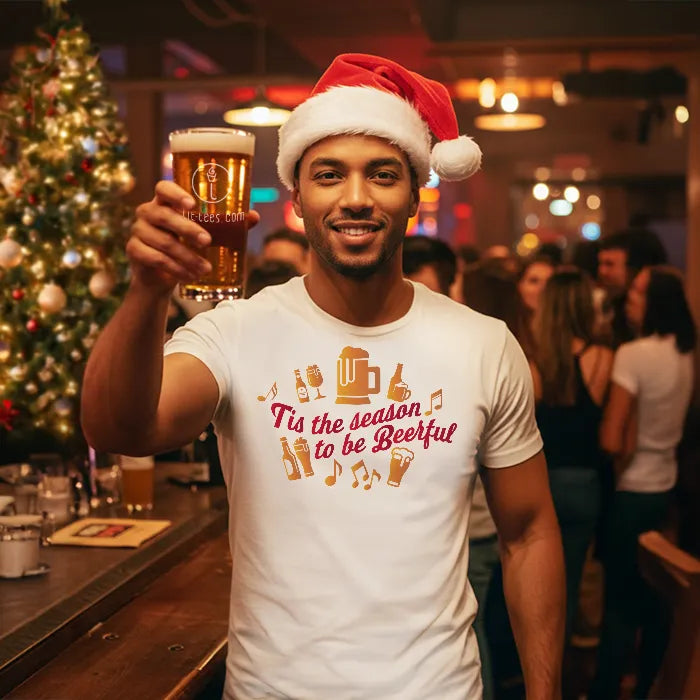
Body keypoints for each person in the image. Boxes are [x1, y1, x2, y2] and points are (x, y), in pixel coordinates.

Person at [82, 53, 564, 700]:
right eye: (329, 175)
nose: (356, 197)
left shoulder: (482, 343)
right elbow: (121, 428)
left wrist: (544, 692)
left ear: (415, 193)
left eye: (383, 175)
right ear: (298, 199)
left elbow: (529, 532)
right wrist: (146, 292)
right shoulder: (234, 333)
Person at [591, 266, 696, 700]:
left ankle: (602, 693)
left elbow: (612, 436)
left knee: (619, 605)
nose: (629, 298)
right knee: (656, 605)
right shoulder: (685, 353)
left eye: (637, 291)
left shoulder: (634, 354)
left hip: (632, 489)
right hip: (667, 488)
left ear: (655, 302)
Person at [529, 268, 613, 644]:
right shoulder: (603, 358)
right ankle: (562, 669)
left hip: (539, 482)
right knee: (572, 579)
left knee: (535, 581)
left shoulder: (532, 360)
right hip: (584, 484)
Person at [461, 260, 531, 700]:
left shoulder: (491, 349)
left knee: (474, 629)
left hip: (481, 529)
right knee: (479, 624)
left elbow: (531, 531)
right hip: (484, 527)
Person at [597, 228, 667, 348]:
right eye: (600, 263)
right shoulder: (614, 307)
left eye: (609, 264)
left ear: (635, 268)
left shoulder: (663, 317)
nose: (602, 271)